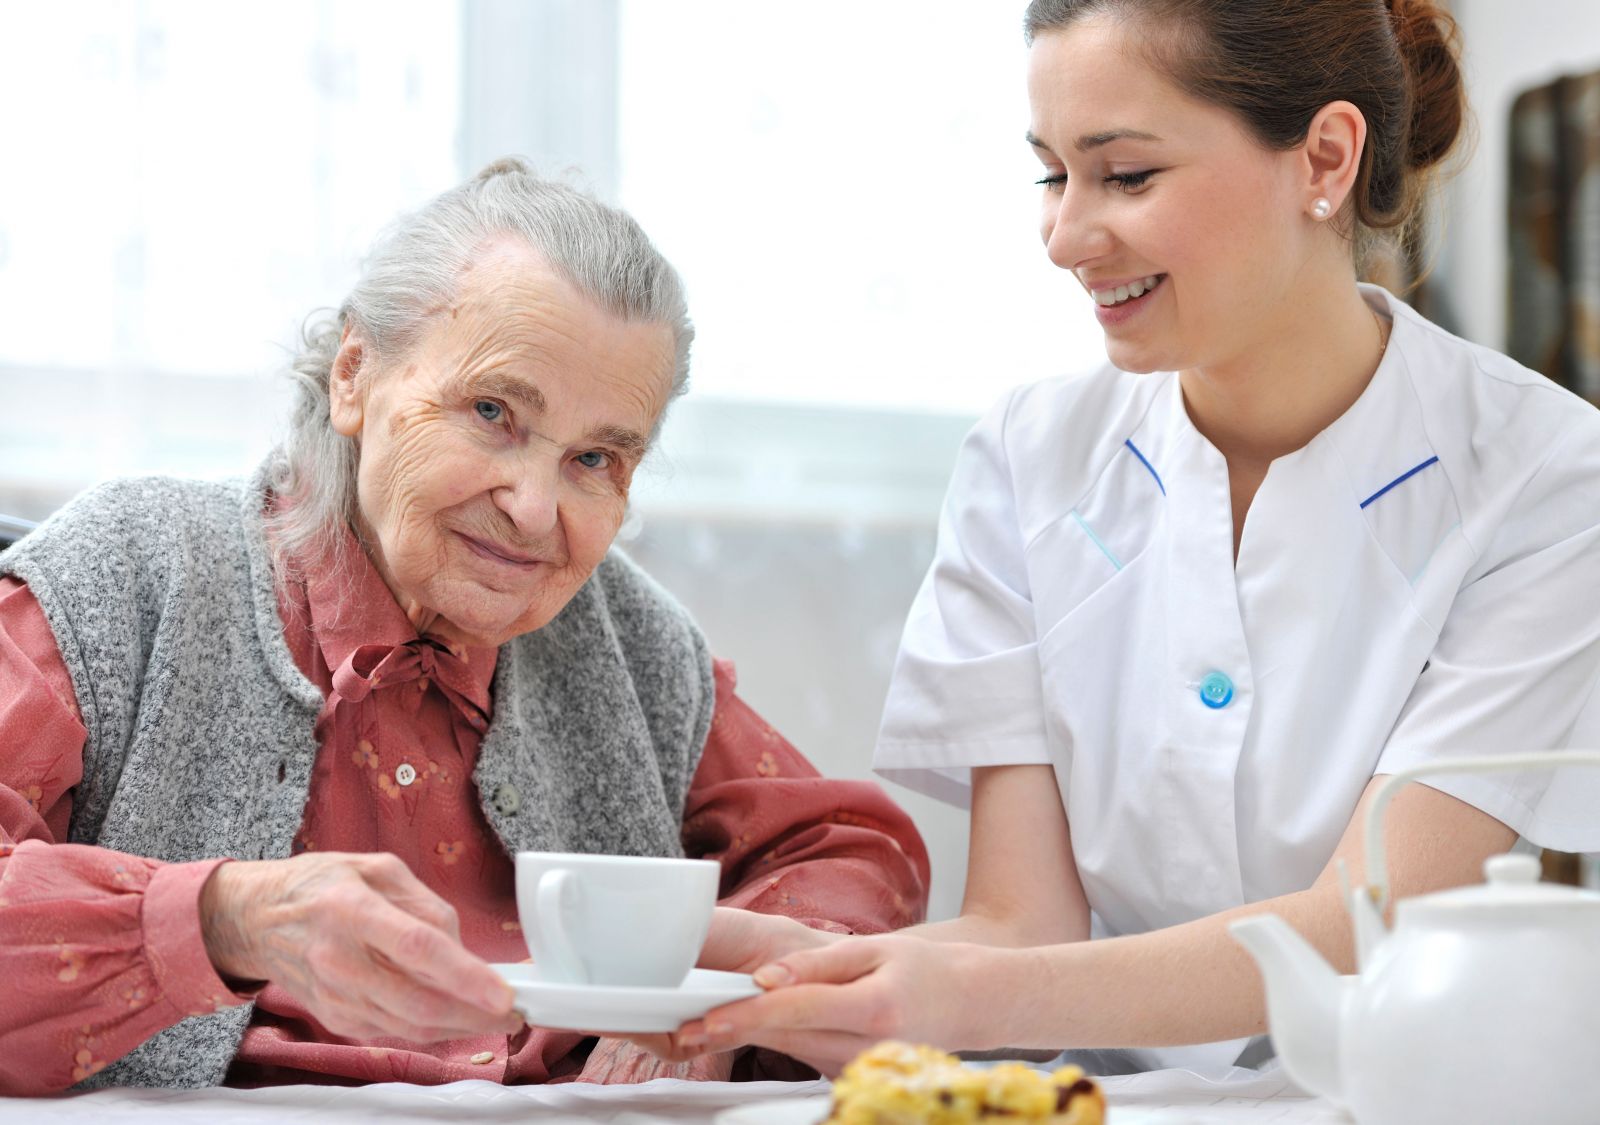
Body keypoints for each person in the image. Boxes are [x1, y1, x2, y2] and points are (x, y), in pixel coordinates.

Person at [653, 0, 1600, 1076]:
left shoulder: (1543, 474)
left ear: (1324, 157)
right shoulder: (1028, 456)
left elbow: (1370, 922)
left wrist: (968, 992)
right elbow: (1023, 928)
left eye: (1127, 176)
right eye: (1052, 175)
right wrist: (804, 972)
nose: (1062, 239)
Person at [0, 159, 929, 1094]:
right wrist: (226, 919)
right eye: (494, 413)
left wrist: (731, 994)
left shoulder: (630, 641)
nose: (533, 508)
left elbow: (849, 850)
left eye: (595, 457)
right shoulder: (129, 572)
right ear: (355, 377)